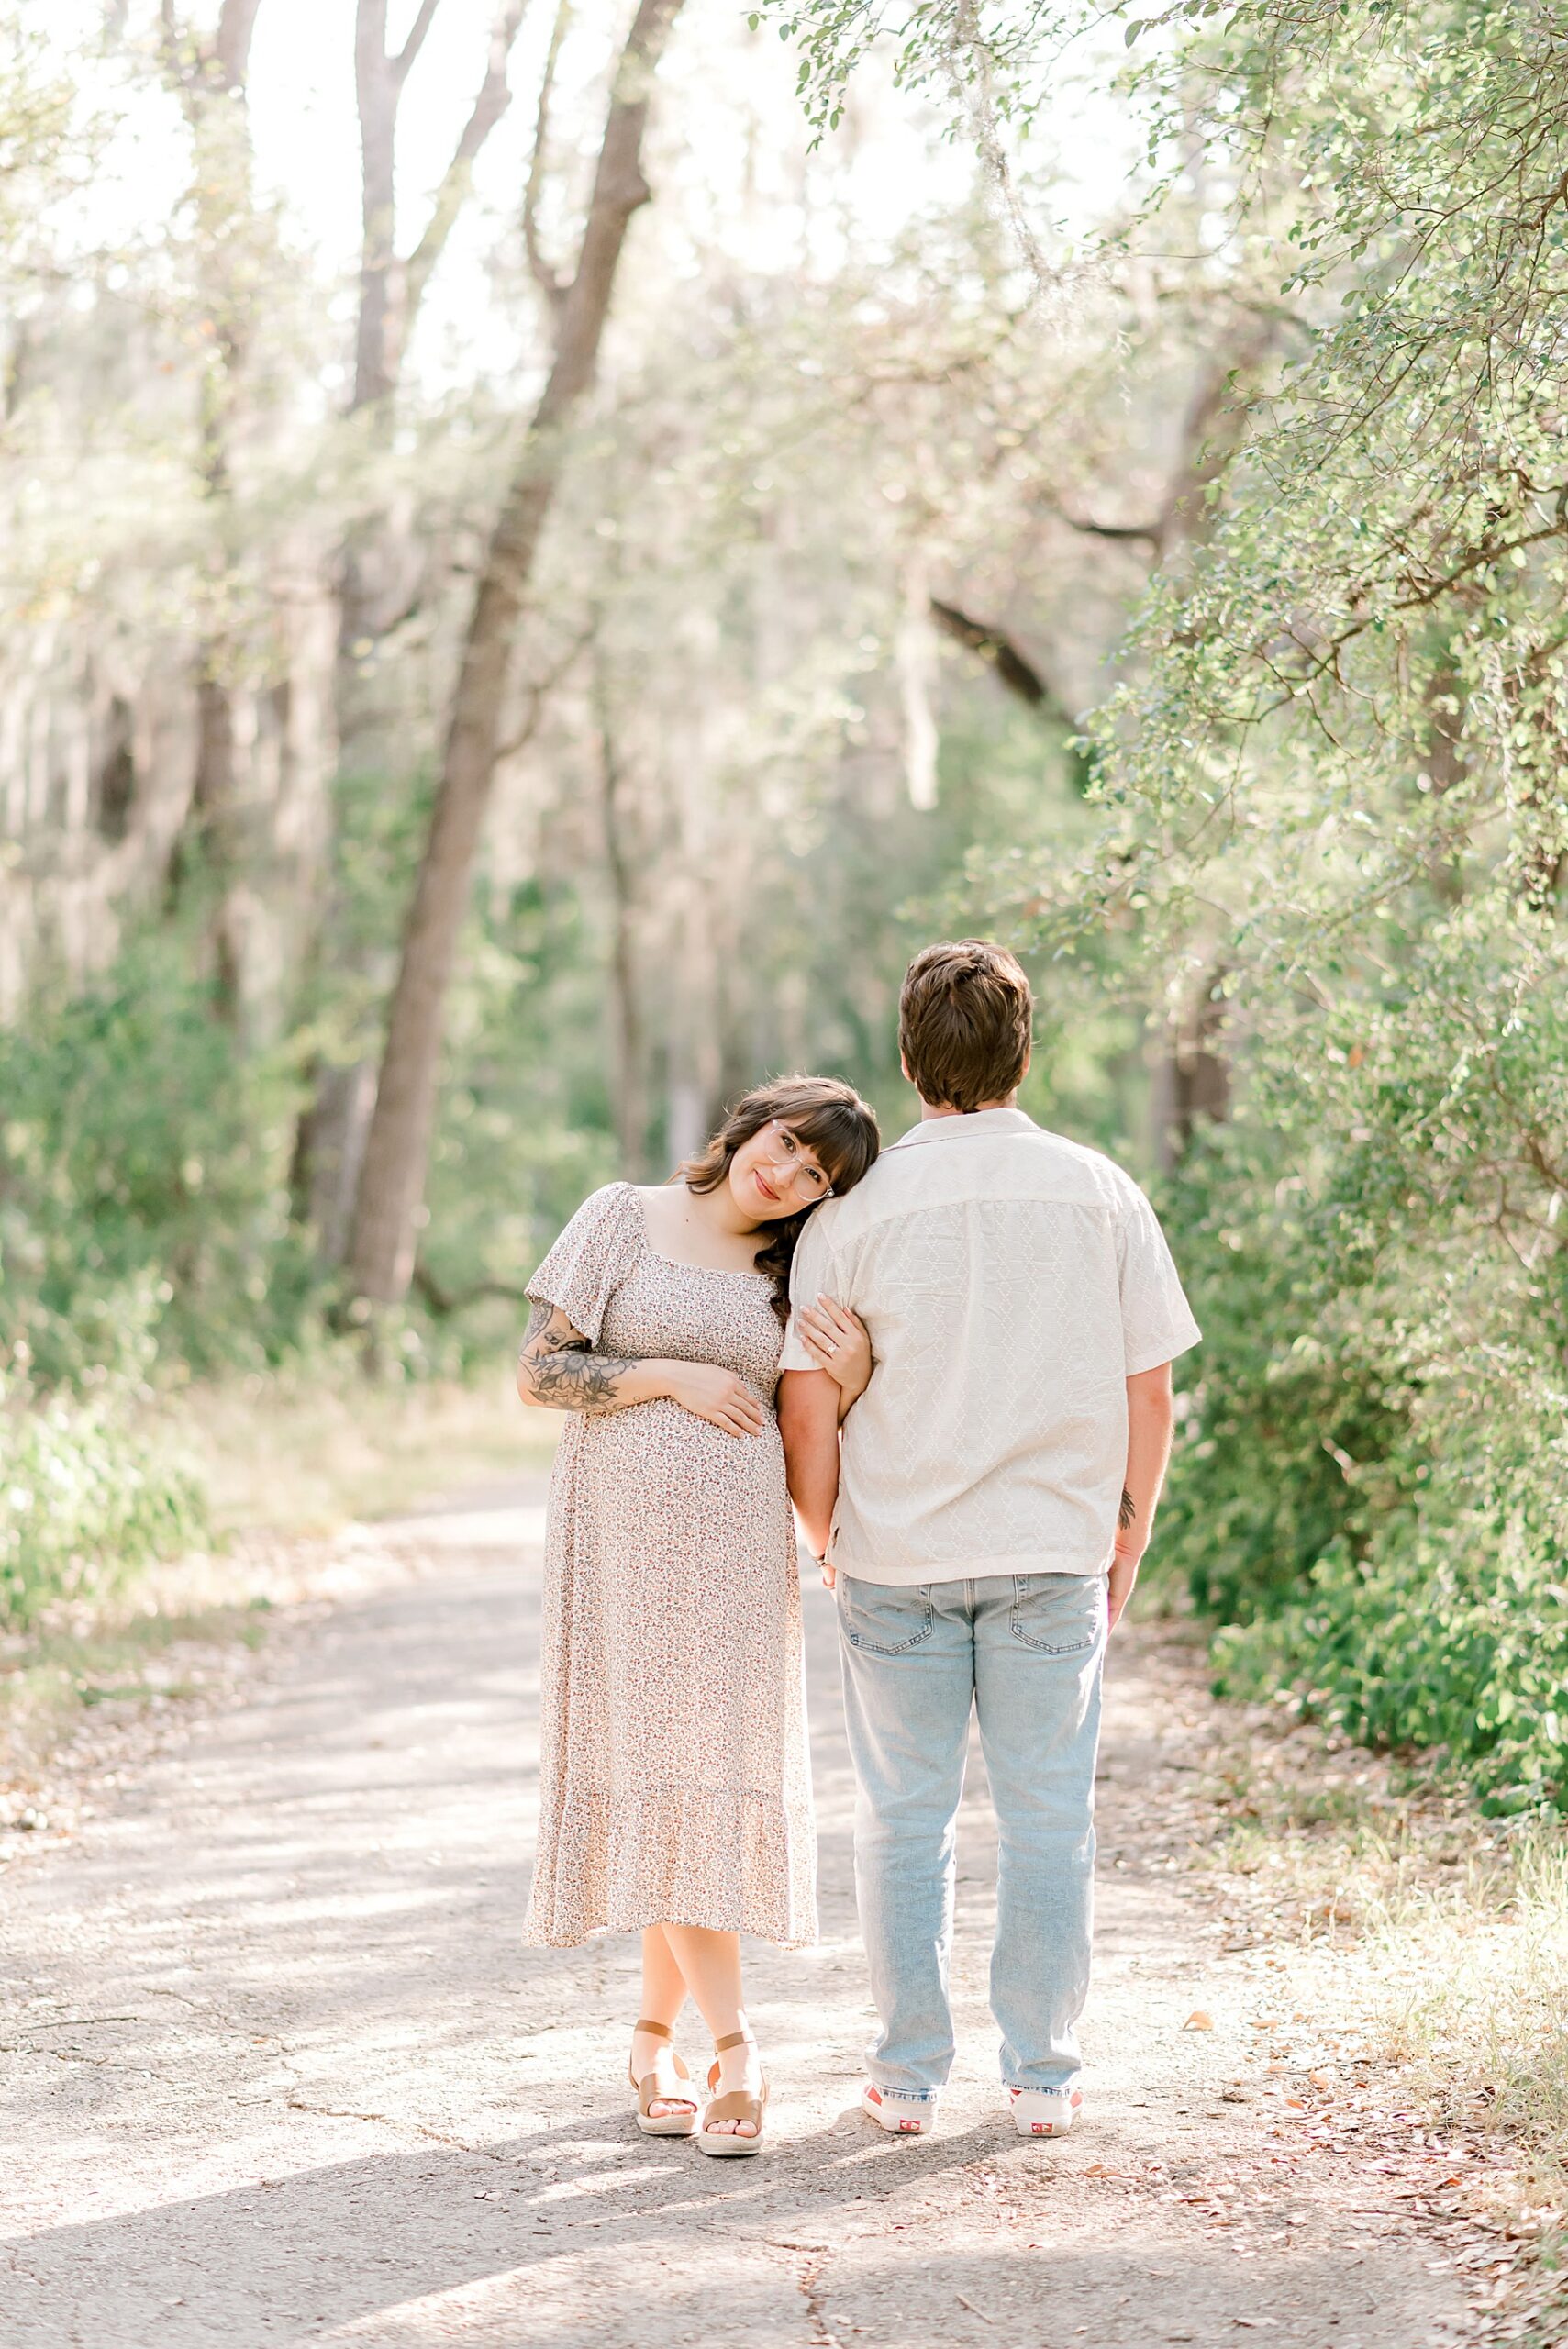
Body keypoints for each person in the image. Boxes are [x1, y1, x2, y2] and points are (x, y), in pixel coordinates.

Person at [778, 941, 1200, 2141]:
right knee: (1048, 1820)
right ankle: (1041, 2078)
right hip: (1051, 1554)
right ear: (1023, 1054)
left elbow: (805, 1403)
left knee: (902, 1824)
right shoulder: (1100, 1193)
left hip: (895, 1558)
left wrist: (825, 1536)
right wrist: (1126, 1542)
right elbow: (1150, 1390)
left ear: (909, 1061)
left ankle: (907, 2078)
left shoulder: (851, 1213)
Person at [517, 1077, 879, 2156]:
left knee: (697, 1784)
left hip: (733, 1564)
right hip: (619, 1551)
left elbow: (812, 1409)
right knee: (659, 1773)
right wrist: (670, 1374)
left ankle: (648, 2042)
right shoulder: (620, 1216)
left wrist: (854, 1373)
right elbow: (539, 1372)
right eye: (787, 1144)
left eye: (815, 1176)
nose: (787, 1175)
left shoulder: (793, 1272)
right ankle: (733, 2047)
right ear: (750, 1124)